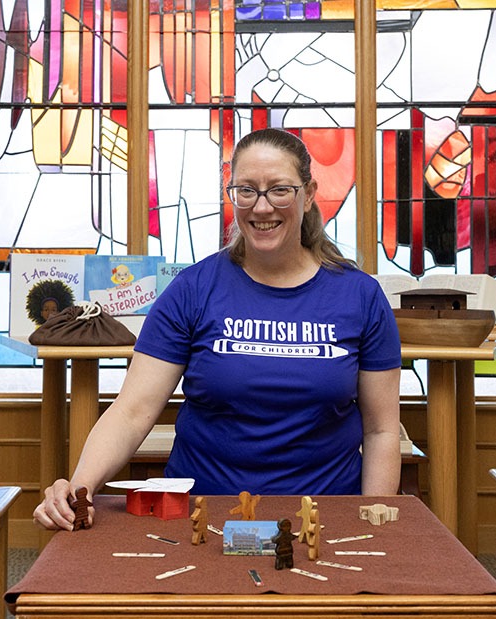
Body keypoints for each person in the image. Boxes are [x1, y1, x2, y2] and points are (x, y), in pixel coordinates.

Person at [34, 128, 402, 531]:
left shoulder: (360, 296)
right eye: (247, 191)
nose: (262, 207)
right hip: (201, 518)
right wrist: (80, 487)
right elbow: (132, 411)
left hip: (324, 517)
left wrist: (373, 521)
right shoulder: (192, 289)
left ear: (309, 194)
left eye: (280, 190)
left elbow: (381, 430)